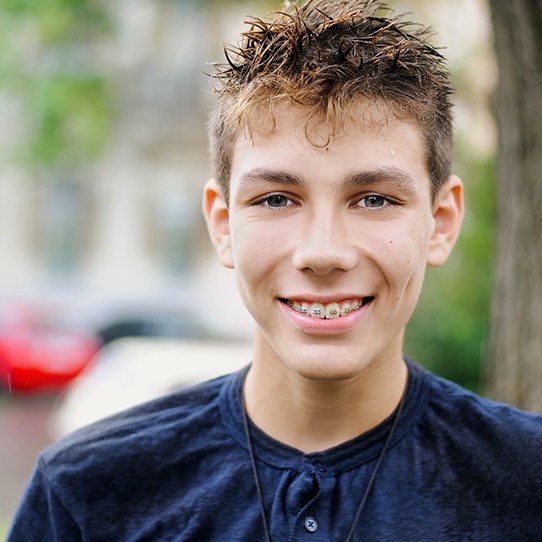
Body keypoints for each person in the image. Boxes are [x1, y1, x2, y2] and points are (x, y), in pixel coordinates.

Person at [8, 1, 542, 540]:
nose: (323, 252)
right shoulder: (86, 492)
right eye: (277, 199)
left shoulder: (528, 484)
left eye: (374, 199)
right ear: (222, 224)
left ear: (442, 221)